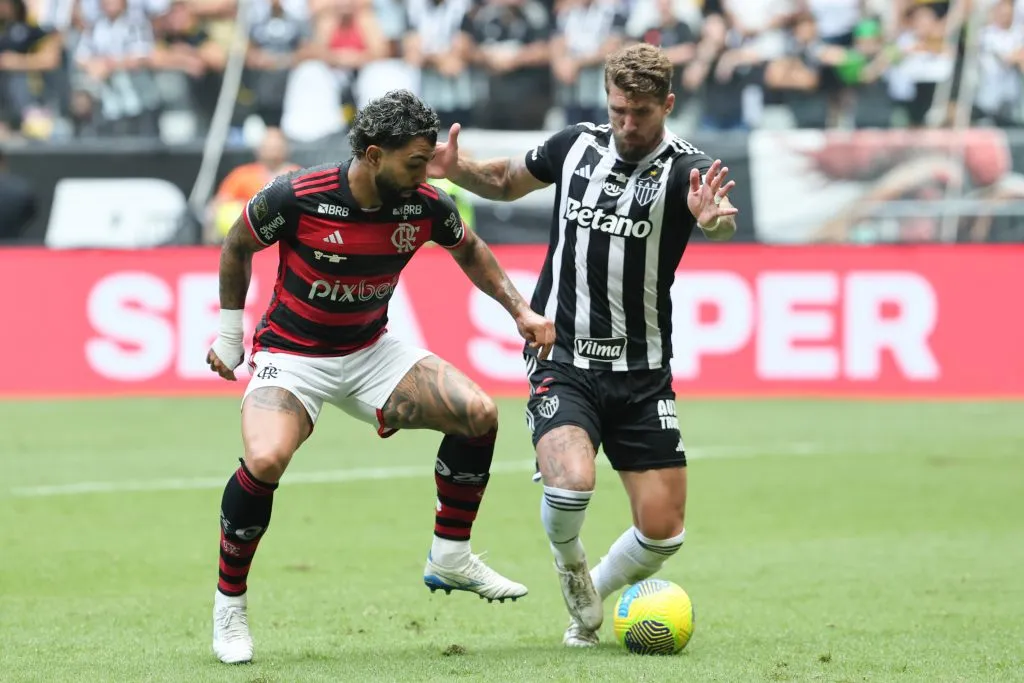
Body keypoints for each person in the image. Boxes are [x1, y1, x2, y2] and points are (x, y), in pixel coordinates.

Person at [205, 89, 555, 664]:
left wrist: (520, 310)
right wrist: (228, 335)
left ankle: (450, 555)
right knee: (265, 461)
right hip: (294, 357)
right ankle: (230, 605)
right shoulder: (297, 195)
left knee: (479, 415)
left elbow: (471, 250)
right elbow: (237, 242)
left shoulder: (423, 203)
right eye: (415, 162)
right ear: (373, 154)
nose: (425, 172)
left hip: (371, 351)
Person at [428, 43, 739, 647]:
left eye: (641, 113)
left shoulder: (686, 171)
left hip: (644, 371)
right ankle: (570, 565)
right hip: (563, 356)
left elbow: (720, 218)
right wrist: (457, 169)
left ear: (667, 105)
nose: (627, 123)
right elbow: (506, 180)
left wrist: (713, 219)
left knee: (664, 532)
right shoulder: (576, 146)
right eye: (619, 109)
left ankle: (591, 589)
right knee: (571, 483)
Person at [206, 127, 299, 244]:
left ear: (286, 149)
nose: (272, 151)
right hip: (246, 242)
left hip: (284, 244)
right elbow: (217, 206)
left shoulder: (298, 176)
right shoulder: (242, 175)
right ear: (258, 149)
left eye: (277, 147)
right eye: (268, 147)